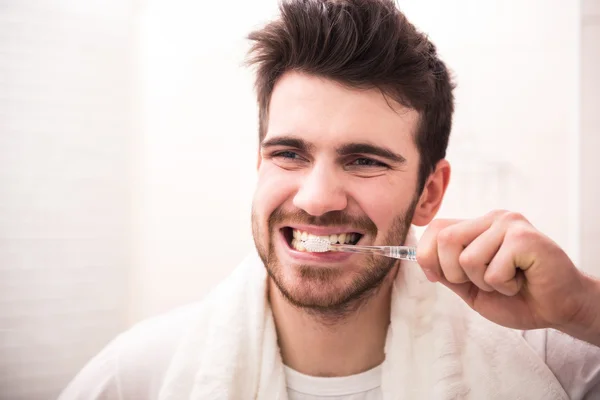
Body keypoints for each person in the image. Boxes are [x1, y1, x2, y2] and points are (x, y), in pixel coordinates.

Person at [60, 0, 600, 399]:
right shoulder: (132, 379)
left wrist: (582, 306)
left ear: (428, 193)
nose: (316, 199)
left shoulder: (555, 361)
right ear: (259, 165)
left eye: (364, 160)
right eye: (289, 154)